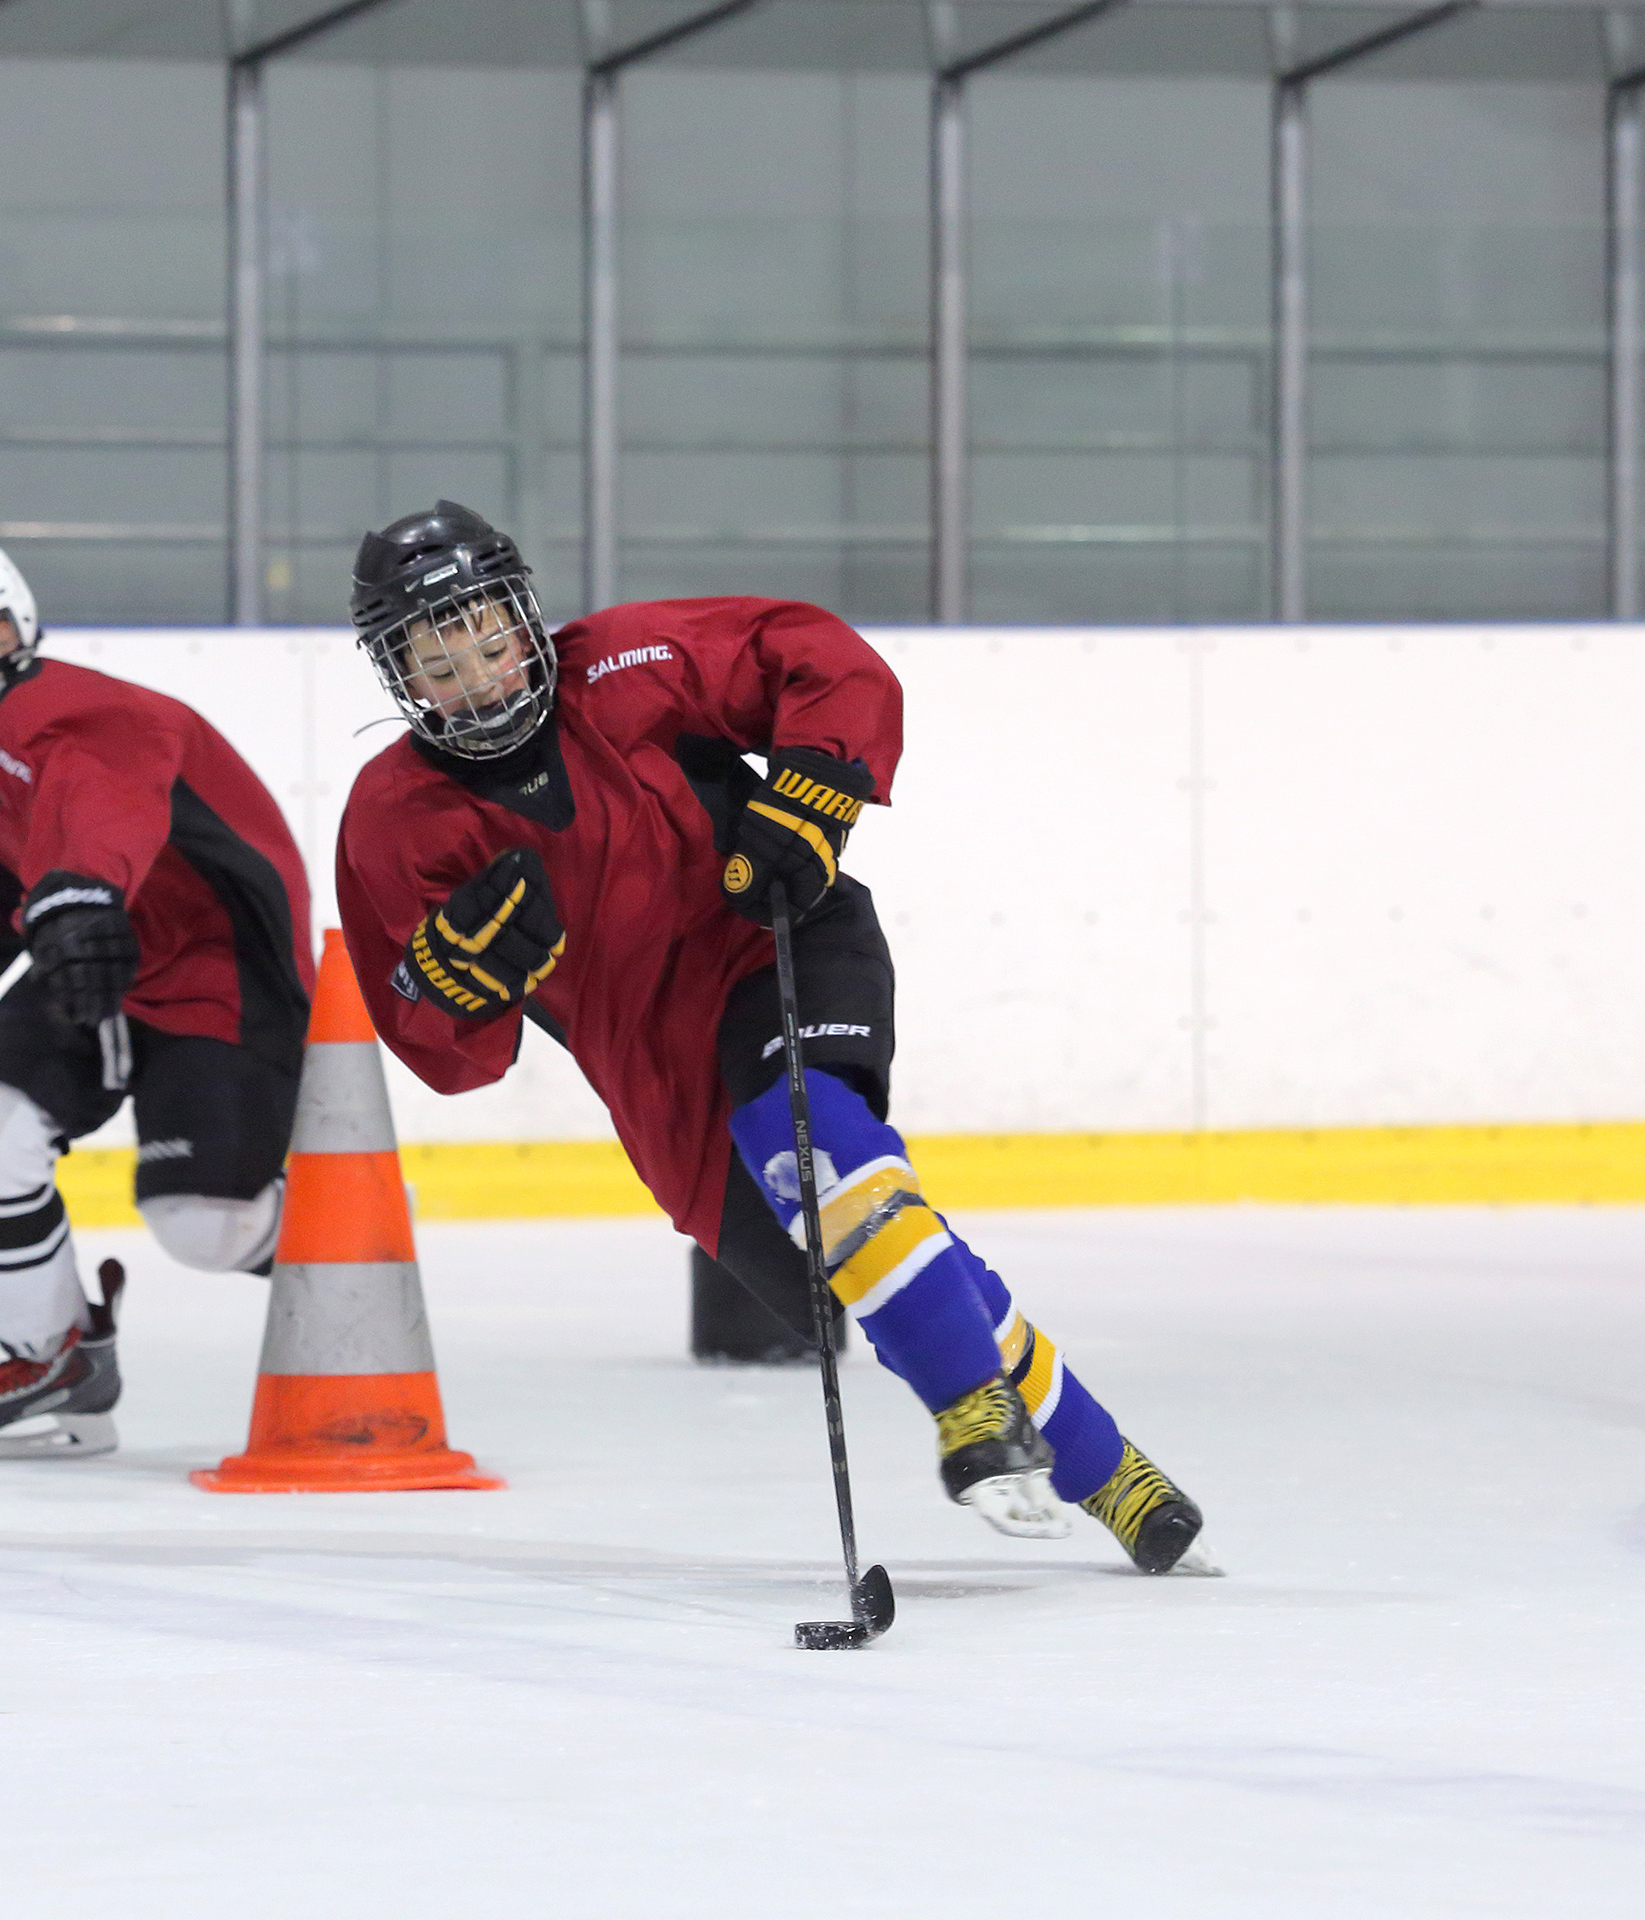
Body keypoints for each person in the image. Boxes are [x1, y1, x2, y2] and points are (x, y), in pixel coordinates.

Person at [330, 501, 1214, 1574]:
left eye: (488, 635)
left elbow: (820, 658)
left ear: (524, 617)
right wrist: (452, 982)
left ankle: (976, 1417)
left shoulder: (631, 666)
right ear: (403, 678)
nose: (479, 673)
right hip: (665, 1089)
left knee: (813, 1141)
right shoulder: (393, 819)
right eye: (440, 658)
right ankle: (1115, 1475)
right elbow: (442, 1049)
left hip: (778, 944)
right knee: (867, 1259)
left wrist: (817, 787)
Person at [0, 536, 313, 1458]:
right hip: (90, 953)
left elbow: (103, 803)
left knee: (205, 1227)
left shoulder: (81, 710)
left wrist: (81, 889)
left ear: (2, 633)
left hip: (215, 966)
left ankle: (357, 1249)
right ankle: (57, 1364)